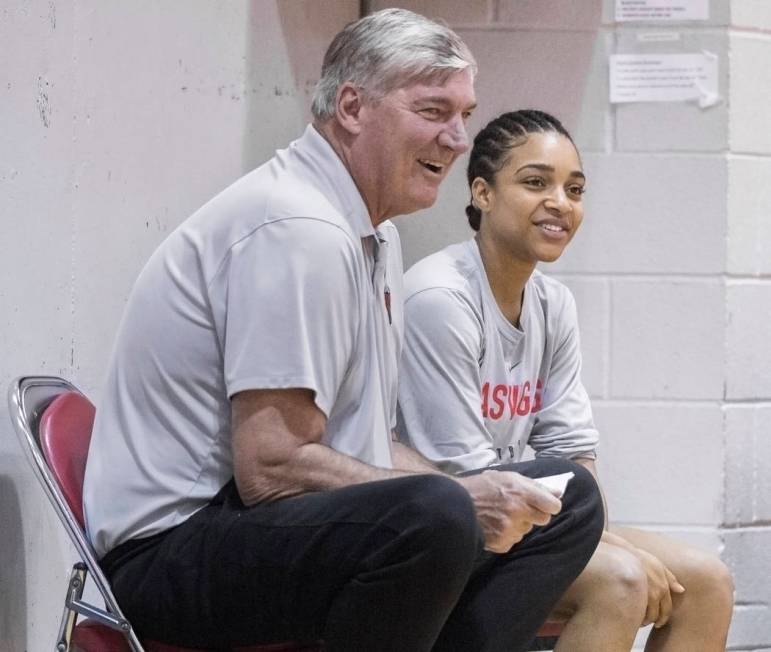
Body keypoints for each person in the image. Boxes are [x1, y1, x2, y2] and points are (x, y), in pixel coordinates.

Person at [83, 12, 604, 652]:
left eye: (464, 114)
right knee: (434, 515)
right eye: (434, 111)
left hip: (247, 526)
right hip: (168, 553)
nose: (457, 137)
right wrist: (458, 496)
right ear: (353, 107)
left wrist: (476, 495)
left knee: (567, 498)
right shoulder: (298, 227)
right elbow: (271, 466)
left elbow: (370, 442)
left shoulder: (372, 231)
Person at [396, 109, 735, 651]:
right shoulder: (440, 298)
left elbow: (572, 450)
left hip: (530, 523)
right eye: (536, 183)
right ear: (482, 193)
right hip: (447, 535)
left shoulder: (553, 303)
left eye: (574, 189)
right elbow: (467, 479)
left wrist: (596, 536)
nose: (561, 202)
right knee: (621, 581)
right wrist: (607, 551)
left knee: (705, 582)